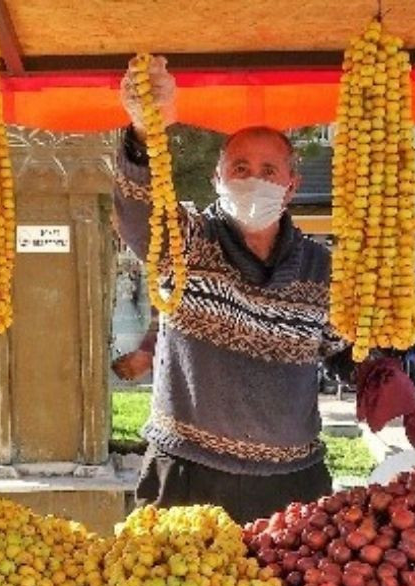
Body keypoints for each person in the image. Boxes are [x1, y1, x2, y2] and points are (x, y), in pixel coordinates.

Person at [113, 56, 352, 523]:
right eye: (240, 168)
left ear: (291, 185)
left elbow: (341, 349)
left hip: (292, 485)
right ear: (217, 179)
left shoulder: (322, 269)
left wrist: (378, 371)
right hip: (186, 475)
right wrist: (144, 133)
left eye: (269, 169)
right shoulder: (186, 243)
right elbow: (138, 218)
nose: (254, 179)